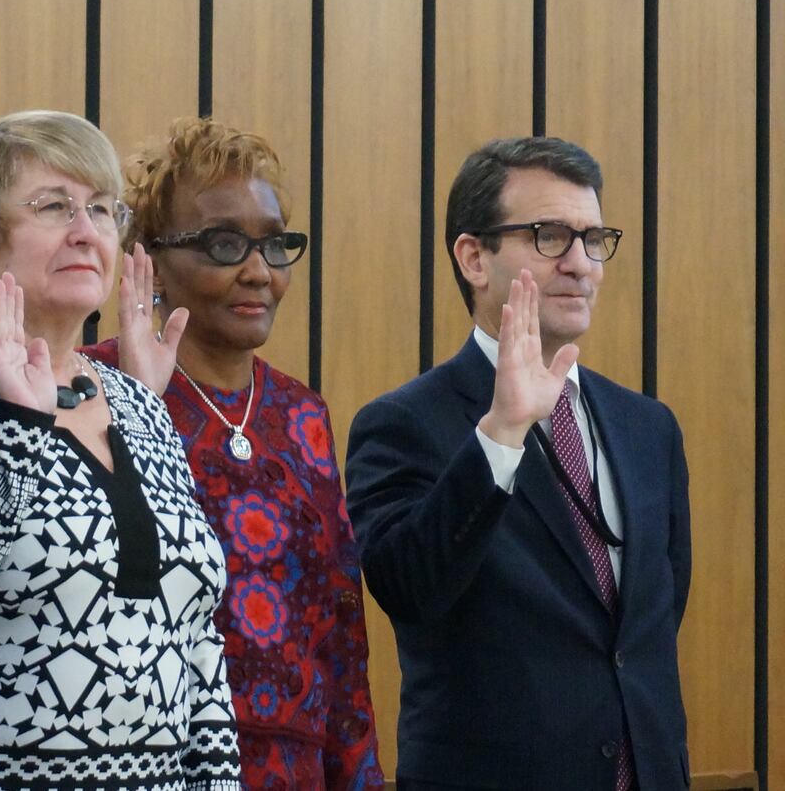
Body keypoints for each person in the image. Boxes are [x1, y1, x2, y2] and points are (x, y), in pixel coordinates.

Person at [0, 110, 240, 791]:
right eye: (54, 207)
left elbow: (197, 643)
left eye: (101, 209)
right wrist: (13, 434)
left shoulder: (140, 404)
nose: (87, 231)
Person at [345, 137, 690, 790]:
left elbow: (649, 621)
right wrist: (502, 433)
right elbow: (410, 590)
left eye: (594, 239)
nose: (581, 264)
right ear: (474, 257)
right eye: (550, 236)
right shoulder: (403, 424)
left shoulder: (650, 428)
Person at [86, 116, 383, 789]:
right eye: (225, 244)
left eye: (276, 246)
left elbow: (342, 634)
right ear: (150, 258)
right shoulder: (90, 390)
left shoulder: (303, 414)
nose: (259, 272)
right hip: (153, 766)